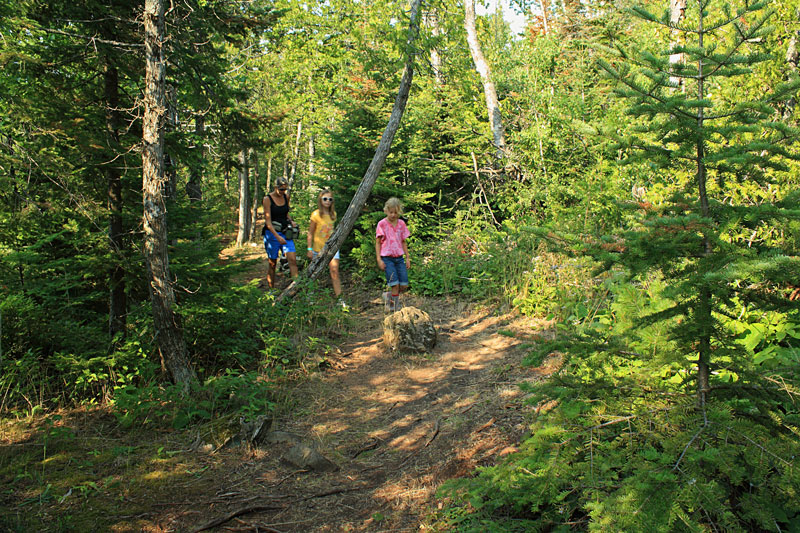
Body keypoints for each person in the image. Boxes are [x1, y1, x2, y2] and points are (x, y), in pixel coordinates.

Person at [307, 189, 346, 308]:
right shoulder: (315, 215)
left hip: (332, 248)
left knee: (334, 271)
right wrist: (309, 249)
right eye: (325, 199)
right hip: (318, 248)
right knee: (313, 273)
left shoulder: (333, 215)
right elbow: (310, 232)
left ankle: (340, 300)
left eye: (330, 199)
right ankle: (310, 298)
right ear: (320, 200)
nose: (327, 201)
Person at [375, 197, 410, 313]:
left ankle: (388, 295)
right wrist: (379, 259)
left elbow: (404, 241)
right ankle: (396, 309)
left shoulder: (401, 224)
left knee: (403, 284)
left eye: (396, 212)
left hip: (399, 258)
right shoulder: (382, 224)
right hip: (387, 258)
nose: (393, 215)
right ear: (386, 211)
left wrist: (408, 258)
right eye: (391, 212)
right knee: (394, 284)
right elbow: (378, 243)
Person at [262, 177, 298, 288]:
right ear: (276, 187)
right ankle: (271, 289)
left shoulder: (286, 197)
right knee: (272, 263)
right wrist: (277, 237)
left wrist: (291, 221)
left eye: (285, 189)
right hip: (272, 233)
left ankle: (296, 288)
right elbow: (268, 221)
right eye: (281, 189)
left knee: (292, 259)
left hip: (285, 231)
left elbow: (286, 212)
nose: (283, 192)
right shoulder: (267, 199)